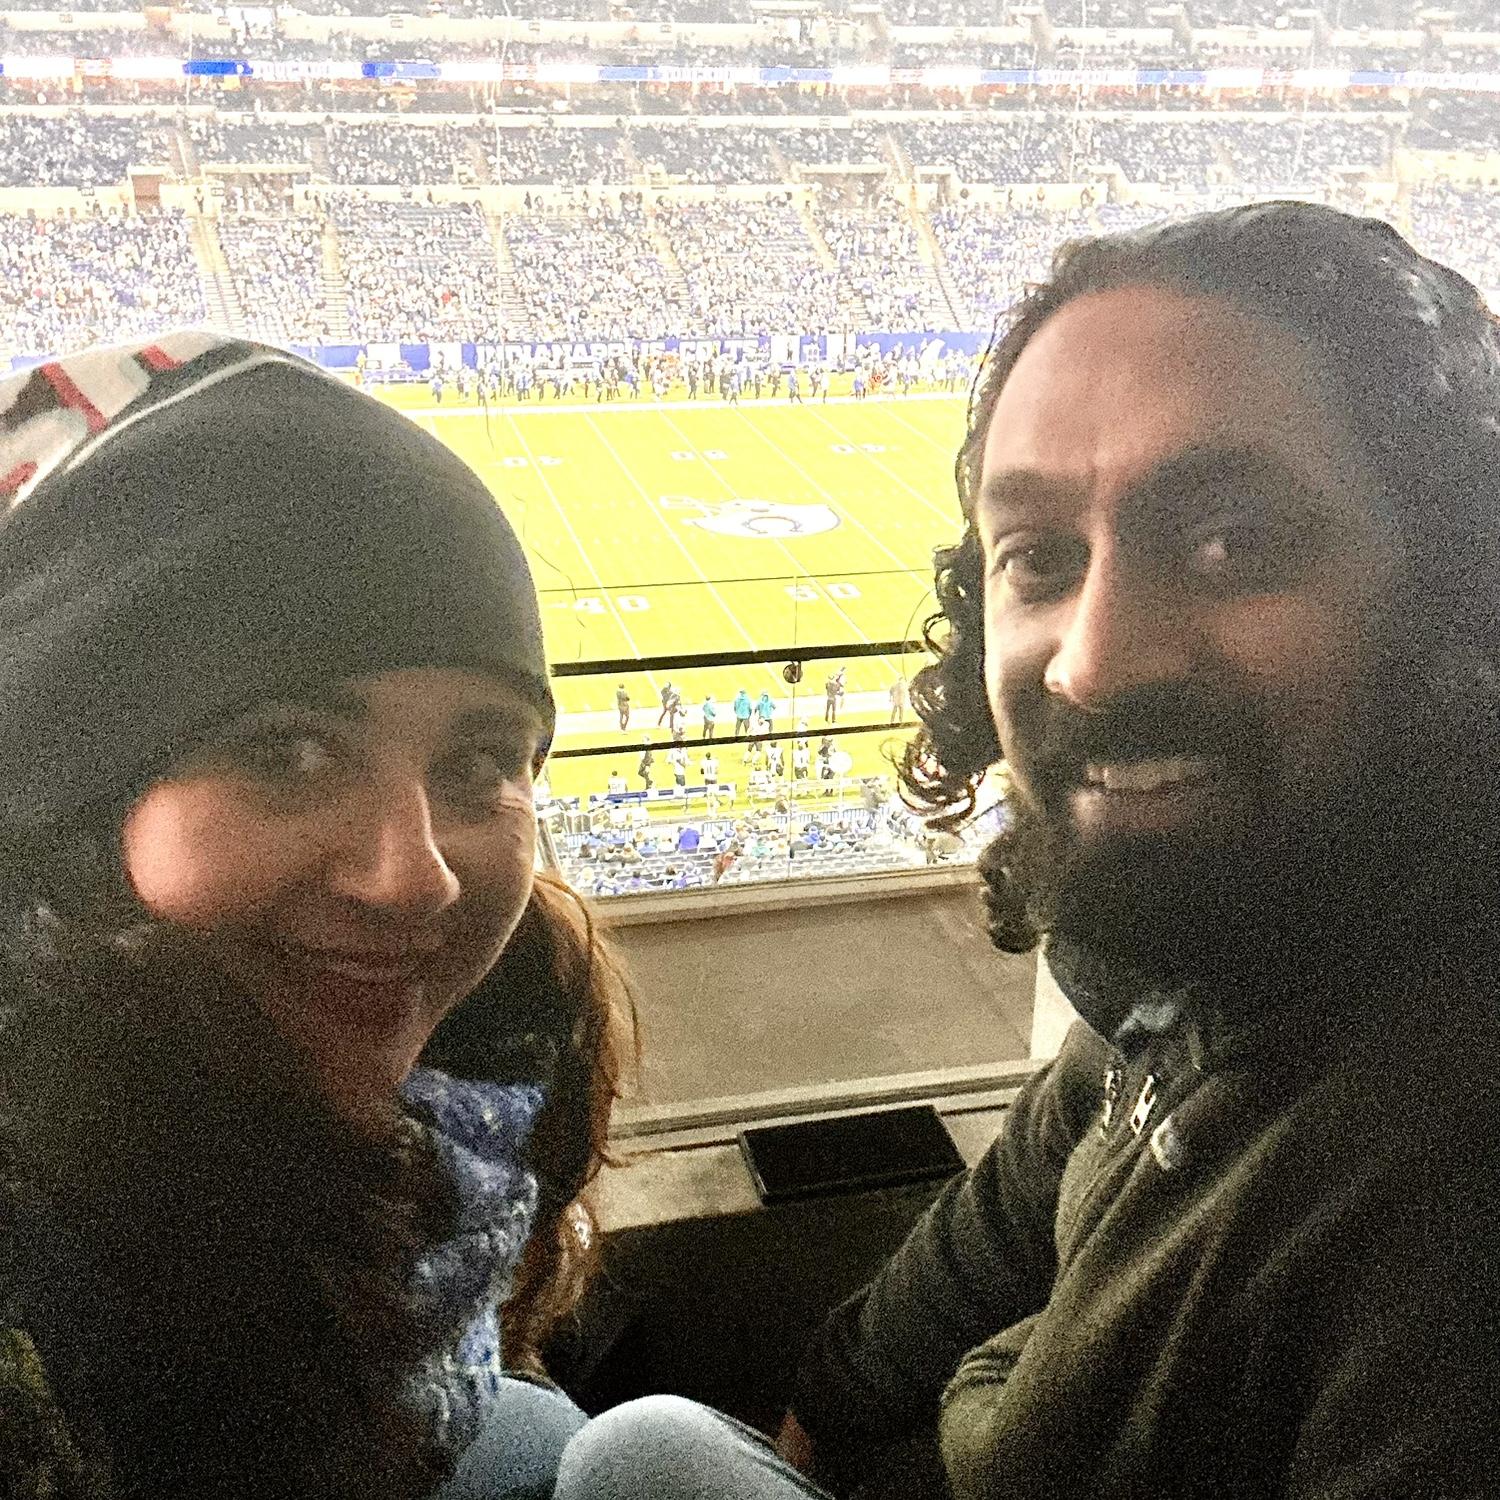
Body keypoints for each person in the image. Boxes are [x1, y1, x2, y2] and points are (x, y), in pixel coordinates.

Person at [551, 202, 1500, 1498]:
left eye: (1233, 542)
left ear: (1459, 579)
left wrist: (993, 1393)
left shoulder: (1445, 1191)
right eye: (1040, 556)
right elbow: (1025, 1181)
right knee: (641, 1446)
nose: (1094, 664)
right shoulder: (1218, 949)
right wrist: (833, 1400)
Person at [0, 336, 637, 1500]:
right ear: (63, 805)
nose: (416, 878)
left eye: (479, 761)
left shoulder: (480, 1081)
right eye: (287, 751)